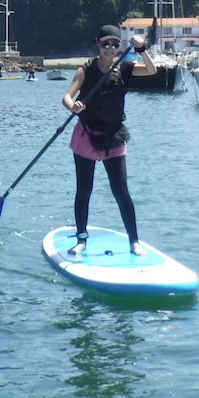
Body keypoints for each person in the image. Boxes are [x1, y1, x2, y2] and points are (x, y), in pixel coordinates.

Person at [60, 24, 157, 256]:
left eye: (115, 45)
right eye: (106, 45)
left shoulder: (125, 68)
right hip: (87, 135)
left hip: (113, 137)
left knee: (121, 191)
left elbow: (152, 71)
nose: (110, 49)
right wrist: (74, 106)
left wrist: (142, 49)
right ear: (98, 44)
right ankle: (81, 239)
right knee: (84, 190)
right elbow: (66, 97)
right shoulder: (86, 69)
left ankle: (134, 242)